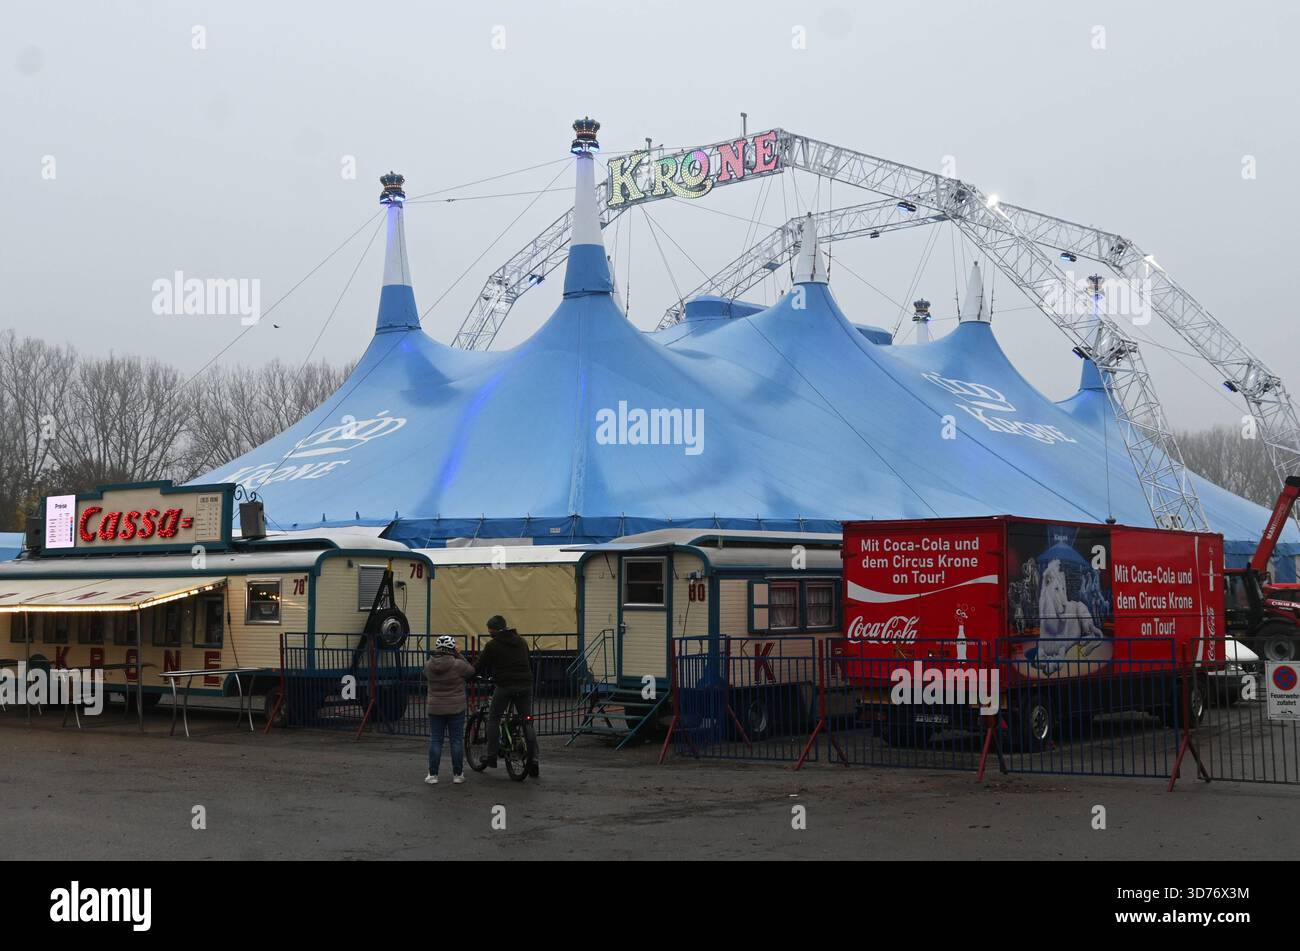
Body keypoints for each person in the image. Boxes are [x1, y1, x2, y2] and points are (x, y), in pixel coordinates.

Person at [474, 615, 539, 777]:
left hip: (504, 686)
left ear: (493, 630)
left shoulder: (492, 645)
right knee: (526, 719)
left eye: (489, 630)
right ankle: (534, 759)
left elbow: (480, 666)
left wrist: (469, 675)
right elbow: (528, 663)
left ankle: (491, 756)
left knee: (494, 718)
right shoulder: (521, 641)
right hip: (526, 684)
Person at [423, 635, 475, 785]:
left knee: (435, 741)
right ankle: (458, 775)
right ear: (452, 648)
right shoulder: (458, 665)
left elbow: (425, 676)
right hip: (456, 708)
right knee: (456, 741)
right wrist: (459, 655)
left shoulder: (428, 665)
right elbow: (471, 671)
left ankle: (433, 775)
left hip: (435, 708)